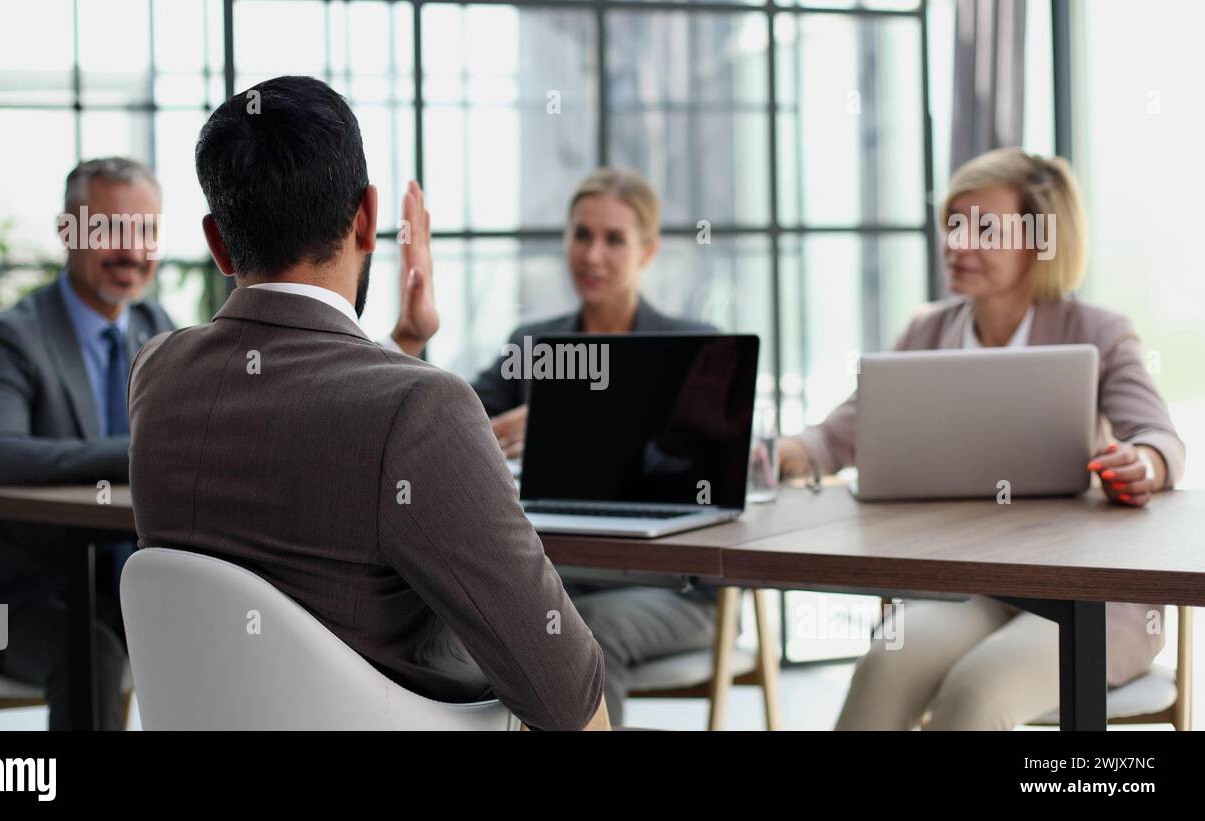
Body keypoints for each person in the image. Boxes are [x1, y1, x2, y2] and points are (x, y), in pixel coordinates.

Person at [128, 75, 609, 731]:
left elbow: (303, 412)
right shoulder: (421, 409)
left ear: (217, 242)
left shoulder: (158, 374)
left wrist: (404, 342)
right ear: (365, 219)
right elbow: (565, 694)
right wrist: (405, 362)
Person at [776, 148, 1186, 730]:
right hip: (972, 587)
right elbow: (837, 437)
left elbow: (1159, 440)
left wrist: (1142, 461)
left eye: (985, 228)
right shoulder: (928, 330)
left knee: (974, 694)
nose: (958, 243)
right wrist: (781, 451)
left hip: (1091, 603)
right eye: (953, 224)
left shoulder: (1098, 332)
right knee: (883, 667)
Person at [472, 167, 722, 726]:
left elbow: (716, 467)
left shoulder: (688, 350)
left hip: (677, 590)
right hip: (563, 577)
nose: (592, 255)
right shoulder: (533, 347)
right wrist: (512, 426)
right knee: (500, 626)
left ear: (648, 251)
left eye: (614, 240)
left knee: (585, 635)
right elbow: (451, 433)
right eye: (582, 235)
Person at [0, 157, 174, 730]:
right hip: (19, 599)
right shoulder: (9, 337)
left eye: (146, 231)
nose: (132, 251)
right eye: (109, 229)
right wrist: (136, 452)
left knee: (228, 622)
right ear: (67, 232)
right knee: (92, 653)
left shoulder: (157, 327)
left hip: (124, 582)